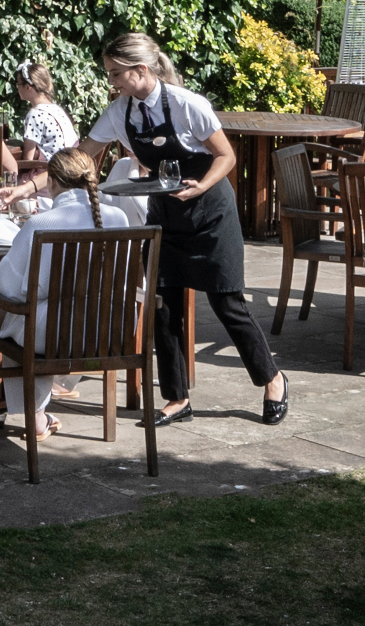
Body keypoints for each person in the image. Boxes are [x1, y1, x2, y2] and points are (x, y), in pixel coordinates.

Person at [86, 31, 287, 424]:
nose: (111, 82)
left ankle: (273, 378)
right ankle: (177, 399)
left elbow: (226, 156)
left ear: (140, 70)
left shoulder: (187, 104)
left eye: (115, 74)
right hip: (166, 216)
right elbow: (82, 153)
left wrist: (202, 186)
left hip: (211, 214)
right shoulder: (119, 112)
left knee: (228, 304)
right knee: (163, 308)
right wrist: (32, 183)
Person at [0, 147, 146, 439]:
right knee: (45, 314)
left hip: (52, 337)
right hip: (110, 332)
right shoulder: (118, 217)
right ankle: (40, 419)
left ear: (51, 182)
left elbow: (7, 287)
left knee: (28, 318)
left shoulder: (42, 223)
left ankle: (35, 418)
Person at [0, 63, 80, 187]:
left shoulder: (35, 114)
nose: (17, 88)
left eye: (18, 84)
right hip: (69, 173)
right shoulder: (56, 109)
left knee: (3, 184)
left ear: (28, 87)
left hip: (49, 177)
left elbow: (27, 160)